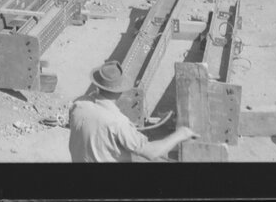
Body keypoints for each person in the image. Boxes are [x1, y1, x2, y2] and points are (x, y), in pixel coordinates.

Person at [67, 62, 199, 162]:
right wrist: (181, 134)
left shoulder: (79, 104)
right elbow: (152, 153)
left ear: (97, 84)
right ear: (120, 91)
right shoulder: (118, 122)